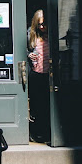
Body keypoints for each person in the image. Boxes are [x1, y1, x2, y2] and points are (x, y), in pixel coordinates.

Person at [27, 9, 50, 143]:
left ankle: (46, 132)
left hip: (49, 74)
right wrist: (28, 54)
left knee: (47, 106)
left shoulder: (52, 35)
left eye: (44, 24)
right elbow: (22, 49)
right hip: (36, 74)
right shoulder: (31, 35)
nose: (42, 27)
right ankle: (35, 133)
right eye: (40, 24)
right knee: (36, 105)